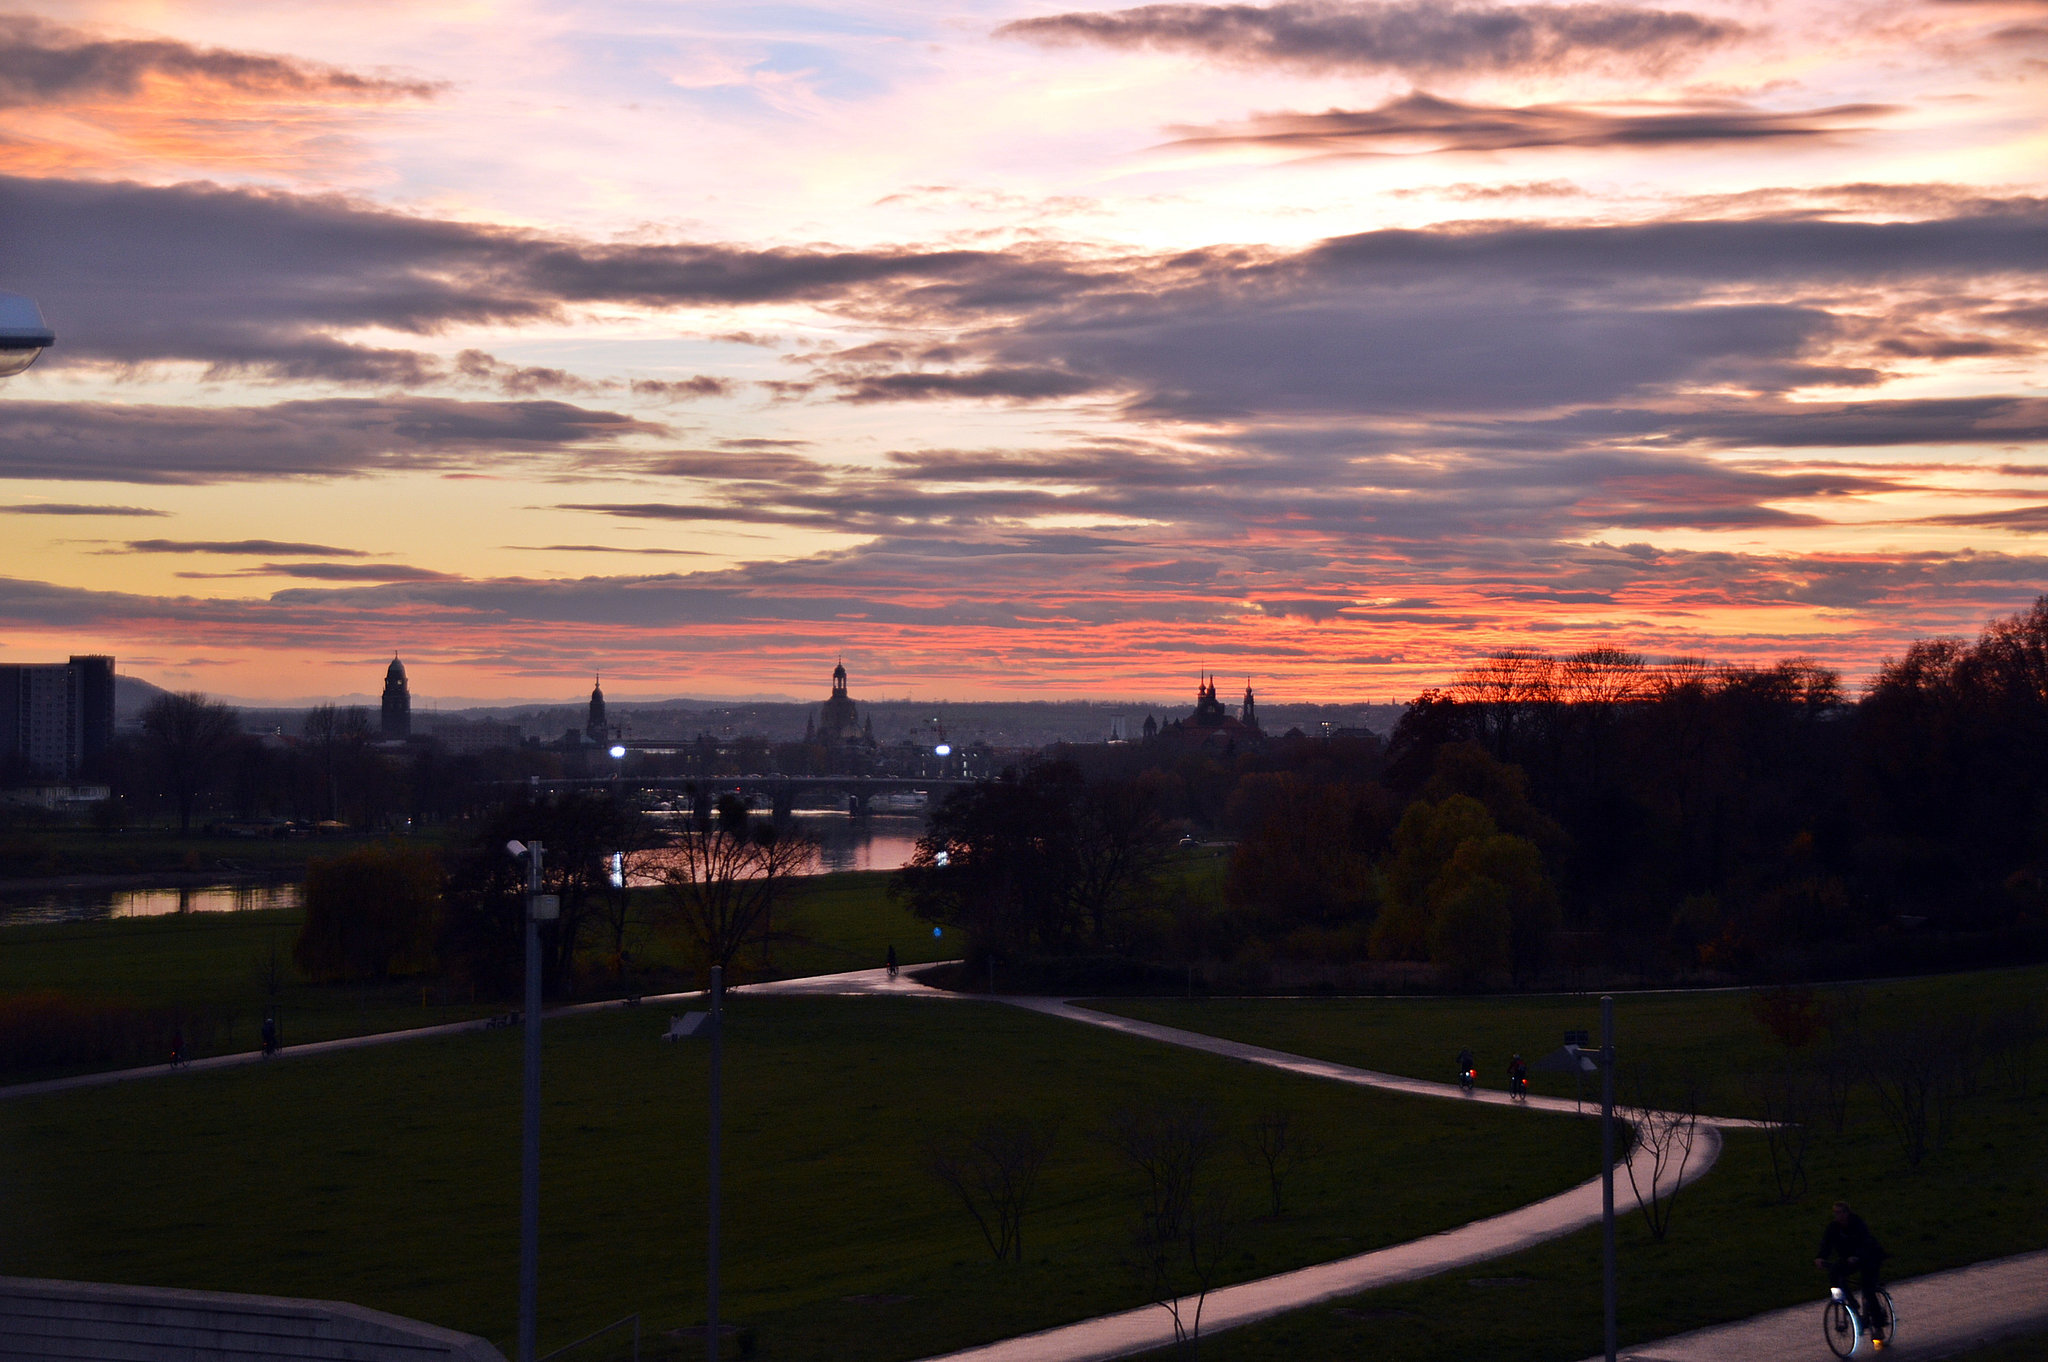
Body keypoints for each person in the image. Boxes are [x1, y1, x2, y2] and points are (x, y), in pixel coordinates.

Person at [1816, 1201, 1888, 1344]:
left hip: (1869, 1257)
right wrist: (1820, 1257)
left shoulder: (1858, 1224)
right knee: (1835, 1273)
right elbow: (1826, 1243)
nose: (1837, 1215)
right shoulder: (1834, 1228)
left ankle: (1878, 1326)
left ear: (1847, 1213)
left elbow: (1866, 1242)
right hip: (1849, 1259)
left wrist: (1857, 1256)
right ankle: (1847, 1302)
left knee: (1868, 1289)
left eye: (1840, 1212)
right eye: (1835, 1213)